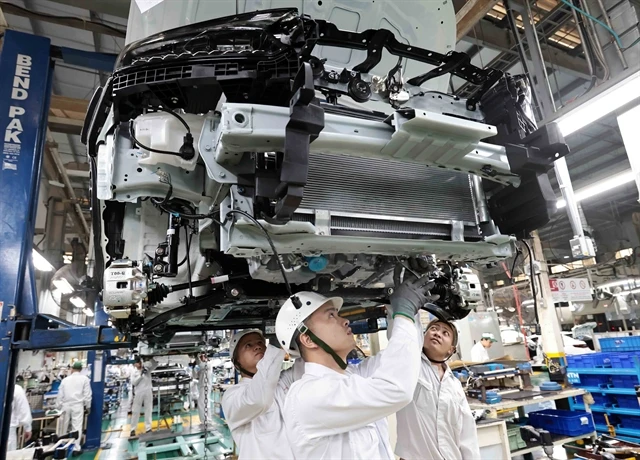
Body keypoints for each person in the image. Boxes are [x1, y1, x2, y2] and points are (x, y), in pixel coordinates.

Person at [277, 275, 436, 459]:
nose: (344, 320)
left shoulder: (354, 376)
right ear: (307, 339)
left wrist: (399, 308)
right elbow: (397, 388)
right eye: (331, 315)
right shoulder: (307, 395)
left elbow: (406, 358)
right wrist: (404, 312)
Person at [394, 319, 480, 460]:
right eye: (433, 329)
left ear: (451, 350)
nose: (437, 334)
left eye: (445, 333)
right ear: (423, 335)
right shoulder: (410, 365)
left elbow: (467, 434)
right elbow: (400, 332)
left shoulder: (455, 385)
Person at [221, 329, 304, 459]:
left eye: (260, 342)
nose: (258, 346)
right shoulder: (232, 396)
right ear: (237, 362)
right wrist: (277, 349)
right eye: (248, 345)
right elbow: (258, 400)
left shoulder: (282, 380)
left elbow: (308, 364)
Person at [56, 361, 92, 452]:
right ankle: (76, 448)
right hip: (77, 405)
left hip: (66, 405)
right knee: (77, 426)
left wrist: (58, 407)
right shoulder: (85, 379)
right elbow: (87, 394)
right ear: (81, 369)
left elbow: (60, 394)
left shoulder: (65, 380)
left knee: (63, 426)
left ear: (72, 369)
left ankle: (61, 446)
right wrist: (88, 406)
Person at [129, 355, 158, 436]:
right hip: (139, 392)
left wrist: (150, 358)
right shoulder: (133, 372)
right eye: (136, 363)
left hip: (148, 391)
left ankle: (148, 428)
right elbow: (134, 383)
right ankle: (132, 429)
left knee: (148, 409)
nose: (138, 364)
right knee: (135, 411)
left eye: (139, 362)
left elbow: (155, 364)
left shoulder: (146, 369)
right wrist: (141, 376)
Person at [8, 384, 32, 451]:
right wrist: (27, 428)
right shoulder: (16, 389)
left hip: (9, 430)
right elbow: (23, 410)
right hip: (7, 432)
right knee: (8, 455)